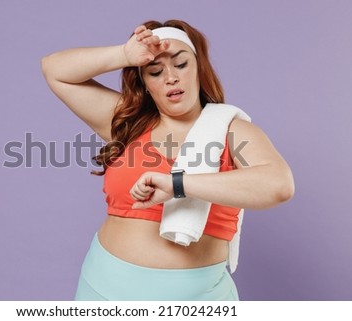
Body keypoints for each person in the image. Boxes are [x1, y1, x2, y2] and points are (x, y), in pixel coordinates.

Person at [41, 19, 295, 301]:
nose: (170, 77)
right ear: (145, 84)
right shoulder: (128, 123)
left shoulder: (232, 130)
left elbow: (278, 185)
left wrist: (177, 184)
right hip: (103, 289)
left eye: (181, 64)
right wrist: (124, 55)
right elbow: (54, 70)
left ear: (200, 68)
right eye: (155, 71)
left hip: (196, 299)